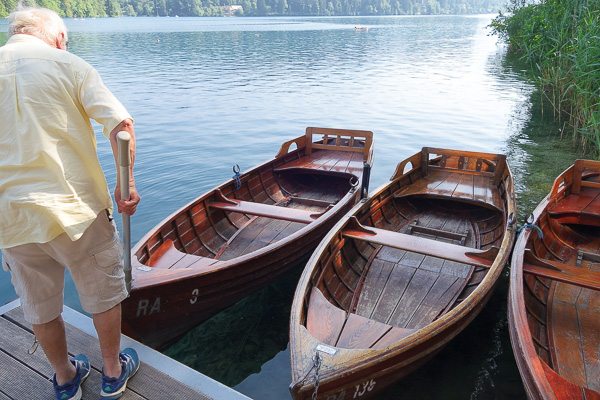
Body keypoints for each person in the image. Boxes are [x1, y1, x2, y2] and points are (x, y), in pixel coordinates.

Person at [0, 4, 142, 400]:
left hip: (10, 215)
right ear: (58, 37)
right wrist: (124, 183)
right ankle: (112, 373)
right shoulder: (69, 65)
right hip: (74, 207)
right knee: (102, 291)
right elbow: (121, 126)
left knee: (39, 303)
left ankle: (65, 378)